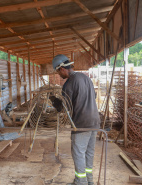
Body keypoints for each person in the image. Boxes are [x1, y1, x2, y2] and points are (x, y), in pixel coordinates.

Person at [52, 54, 100, 185]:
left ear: (62, 69)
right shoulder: (86, 77)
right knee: (89, 153)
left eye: (57, 71)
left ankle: (80, 182)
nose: (58, 75)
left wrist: (55, 102)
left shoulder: (69, 84)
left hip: (81, 122)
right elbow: (93, 96)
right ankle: (89, 181)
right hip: (95, 121)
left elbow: (64, 108)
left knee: (78, 153)